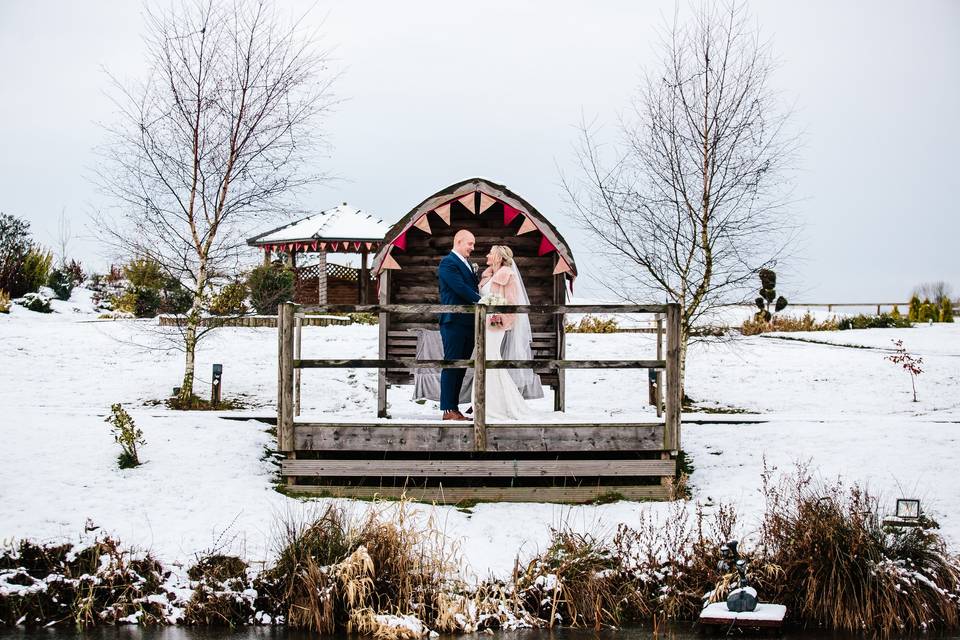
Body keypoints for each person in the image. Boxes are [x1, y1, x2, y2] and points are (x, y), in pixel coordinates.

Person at [477, 244, 542, 420]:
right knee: (483, 359)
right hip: (483, 325)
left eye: (490, 253)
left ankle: (499, 404)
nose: (487, 256)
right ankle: (487, 401)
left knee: (490, 358)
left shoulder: (508, 276)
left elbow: (512, 304)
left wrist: (501, 319)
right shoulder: (488, 275)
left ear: (498, 257)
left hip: (495, 326)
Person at [437, 230, 481, 420]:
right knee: (451, 363)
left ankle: (455, 409)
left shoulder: (468, 264)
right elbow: (460, 287)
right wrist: (483, 300)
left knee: (461, 366)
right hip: (453, 321)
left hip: (469, 322)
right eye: (469, 244)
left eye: (473, 244)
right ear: (458, 241)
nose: (472, 248)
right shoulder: (448, 263)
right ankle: (448, 410)